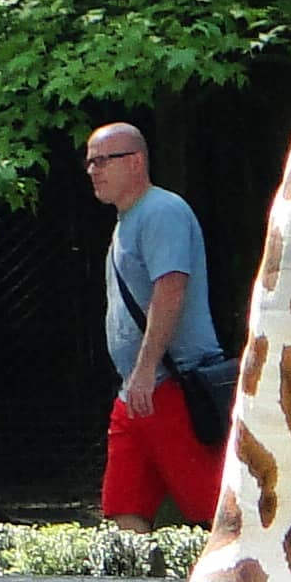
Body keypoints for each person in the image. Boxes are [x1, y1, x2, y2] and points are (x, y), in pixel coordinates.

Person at [88, 121, 229, 532]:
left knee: (211, 510)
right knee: (124, 507)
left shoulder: (161, 211)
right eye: (90, 162)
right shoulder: (127, 221)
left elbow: (171, 288)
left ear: (135, 161)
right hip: (138, 391)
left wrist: (147, 369)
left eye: (103, 160)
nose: (94, 170)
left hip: (173, 385)